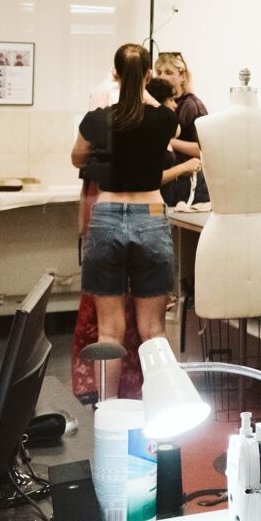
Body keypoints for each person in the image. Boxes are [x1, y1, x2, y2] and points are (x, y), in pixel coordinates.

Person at [70, 43, 179, 395]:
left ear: (114, 74)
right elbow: (169, 130)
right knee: (153, 331)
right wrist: (145, 93)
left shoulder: (97, 120)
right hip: (150, 214)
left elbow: (76, 158)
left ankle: (107, 414)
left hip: (107, 215)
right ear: (149, 75)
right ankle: (163, 407)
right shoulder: (164, 119)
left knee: (109, 332)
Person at [156, 51, 210, 205]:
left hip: (190, 183)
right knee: (162, 221)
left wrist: (170, 142)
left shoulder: (193, 106)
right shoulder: (156, 106)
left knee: (186, 224)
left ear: (183, 76)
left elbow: (205, 150)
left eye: (168, 72)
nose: (162, 77)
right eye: (159, 72)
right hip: (166, 183)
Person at [145, 77, 202, 206]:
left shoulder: (162, 133)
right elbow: (151, 178)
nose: (175, 105)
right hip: (153, 205)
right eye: (170, 100)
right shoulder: (150, 136)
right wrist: (183, 167)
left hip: (165, 203)